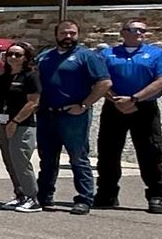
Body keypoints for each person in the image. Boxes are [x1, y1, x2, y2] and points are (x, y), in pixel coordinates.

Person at [95, 18, 162, 215]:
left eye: (143, 31)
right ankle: (107, 194)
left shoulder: (157, 54)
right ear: (123, 32)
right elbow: (99, 79)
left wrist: (134, 99)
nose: (140, 33)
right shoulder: (108, 54)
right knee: (108, 152)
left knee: (151, 151)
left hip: (145, 108)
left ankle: (156, 195)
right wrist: (116, 100)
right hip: (114, 108)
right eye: (134, 29)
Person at [33, 19, 107, 215]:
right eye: (64, 33)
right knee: (47, 158)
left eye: (72, 33)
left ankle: (84, 198)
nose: (68, 37)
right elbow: (36, 79)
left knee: (78, 157)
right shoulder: (44, 57)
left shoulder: (86, 56)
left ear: (78, 35)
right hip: (47, 114)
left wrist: (84, 105)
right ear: (56, 34)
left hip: (73, 116)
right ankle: (44, 196)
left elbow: (104, 83)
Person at [0, 40, 42, 212]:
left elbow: (33, 103)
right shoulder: (3, 77)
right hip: (2, 123)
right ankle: (20, 195)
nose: (13, 57)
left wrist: (15, 122)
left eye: (18, 55)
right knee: (9, 161)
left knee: (20, 161)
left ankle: (33, 198)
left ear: (26, 58)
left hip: (22, 126)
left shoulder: (30, 76)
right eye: (10, 54)